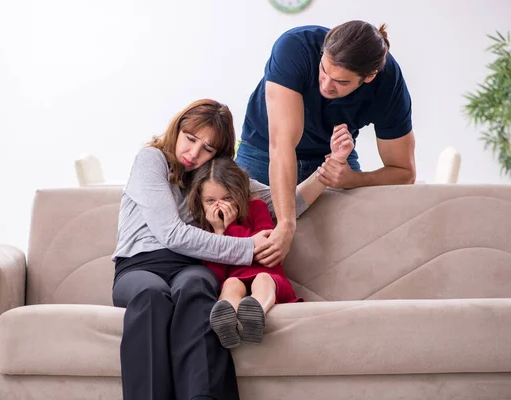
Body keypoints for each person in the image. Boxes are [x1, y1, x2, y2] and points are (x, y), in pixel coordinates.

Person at [111, 99, 353, 400]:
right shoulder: (152, 159)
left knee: (197, 286)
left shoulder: (213, 177)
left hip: (189, 266)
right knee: (151, 295)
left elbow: (284, 204)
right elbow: (171, 234)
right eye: (190, 139)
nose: (193, 153)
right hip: (140, 266)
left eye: (208, 149)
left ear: (218, 154)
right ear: (177, 129)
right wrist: (248, 247)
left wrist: (329, 168)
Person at [235, 20, 417, 270]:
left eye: (341, 82)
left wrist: (351, 179)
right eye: (323, 70)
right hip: (265, 149)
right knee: (240, 233)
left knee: (345, 250)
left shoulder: (388, 85)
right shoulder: (294, 47)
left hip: (334, 156)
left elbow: (404, 173)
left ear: (369, 77)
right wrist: (286, 224)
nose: (326, 85)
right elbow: (282, 144)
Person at [187, 157, 303, 349]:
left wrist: (231, 227)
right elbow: (216, 276)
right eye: (210, 201)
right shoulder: (206, 230)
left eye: (227, 198)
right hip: (235, 279)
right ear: (201, 202)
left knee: (262, 279)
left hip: (271, 277)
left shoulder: (257, 208)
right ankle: (226, 322)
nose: (219, 206)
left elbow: (263, 253)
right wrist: (218, 233)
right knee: (231, 283)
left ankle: (256, 312)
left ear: (239, 193)